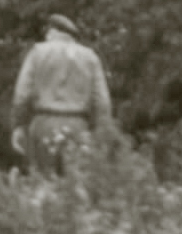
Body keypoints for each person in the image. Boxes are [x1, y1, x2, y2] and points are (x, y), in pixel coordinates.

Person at [11, 12, 115, 172]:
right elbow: (102, 102)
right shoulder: (90, 58)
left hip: (43, 124)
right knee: (76, 186)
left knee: (43, 184)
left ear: (52, 32)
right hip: (78, 126)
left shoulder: (37, 53)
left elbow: (21, 96)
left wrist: (18, 125)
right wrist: (100, 133)